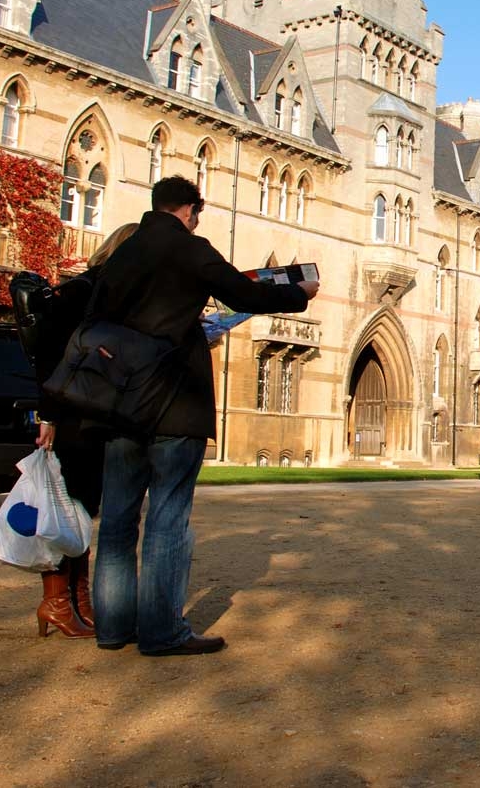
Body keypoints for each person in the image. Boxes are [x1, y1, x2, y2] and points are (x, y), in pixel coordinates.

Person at [88, 176, 318, 656]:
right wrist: (300, 293)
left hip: (119, 404)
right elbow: (243, 294)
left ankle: (112, 628)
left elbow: (93, 326)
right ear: (191, 209)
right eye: (198, 212)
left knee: (117, 521)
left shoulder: (123, 256)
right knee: (168, 519)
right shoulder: (190, 248)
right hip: (174, 403)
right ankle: (161, 631)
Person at [17, 222, 139, 639]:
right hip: (71, 415)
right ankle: (55, 602)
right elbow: (47, 353)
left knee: (82, 511)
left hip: (93, 415)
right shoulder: (83, 290)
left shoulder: (108, 295)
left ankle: (78, 599)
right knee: (64, 509)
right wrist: (47, 415)